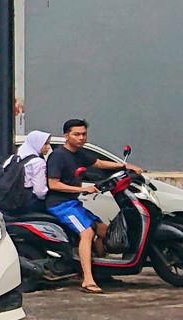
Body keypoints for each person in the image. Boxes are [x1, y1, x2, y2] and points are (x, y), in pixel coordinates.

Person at [46, 119, 142, 294]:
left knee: (105, 231)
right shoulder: (58, 156)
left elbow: (98, 163)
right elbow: (53, 184)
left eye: (84, 134)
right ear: (66, 136)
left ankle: (102, 273)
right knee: (87, 232)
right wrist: (82, 189)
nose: (81, 138)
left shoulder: (80, 153)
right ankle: (88, 280)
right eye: (77, 134)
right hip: (60, 205)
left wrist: (124, 165)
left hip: (74, 203)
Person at [2, 130, 52, 214]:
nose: (48, 147)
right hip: (29, 204)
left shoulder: (13, 158)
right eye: (45, 144)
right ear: (36, 143)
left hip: (10, 200)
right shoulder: (38, 162)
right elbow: (39, 191)